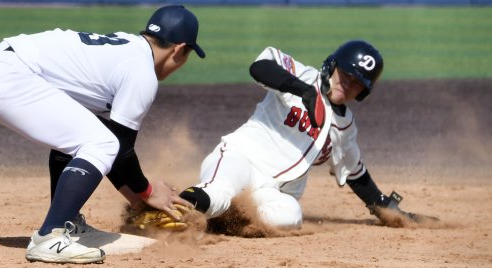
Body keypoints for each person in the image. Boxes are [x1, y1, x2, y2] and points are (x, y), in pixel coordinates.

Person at [0, 5, 203, 263]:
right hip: (9, 76)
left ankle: (67, 223)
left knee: (86, 139)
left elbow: (113, 148)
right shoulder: (142, 73)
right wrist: (147, 193)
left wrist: (136, 199)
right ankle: (50, 236)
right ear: (179, 49)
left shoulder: (126, 49)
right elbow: (120, 150)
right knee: (100, 142)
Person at [131, 39, 423, 232]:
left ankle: (222, 221)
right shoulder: (301, 75)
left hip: (272, 192)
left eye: (357, 84)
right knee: (220, 192)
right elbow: (260, 67)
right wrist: (302, 90)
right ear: (332, 66)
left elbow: (358, 176)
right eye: (345, 75)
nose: (347, 85)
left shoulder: (345, 129)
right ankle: (160, 213)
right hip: (240, 158)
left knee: (289, 217)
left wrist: (390, 212)